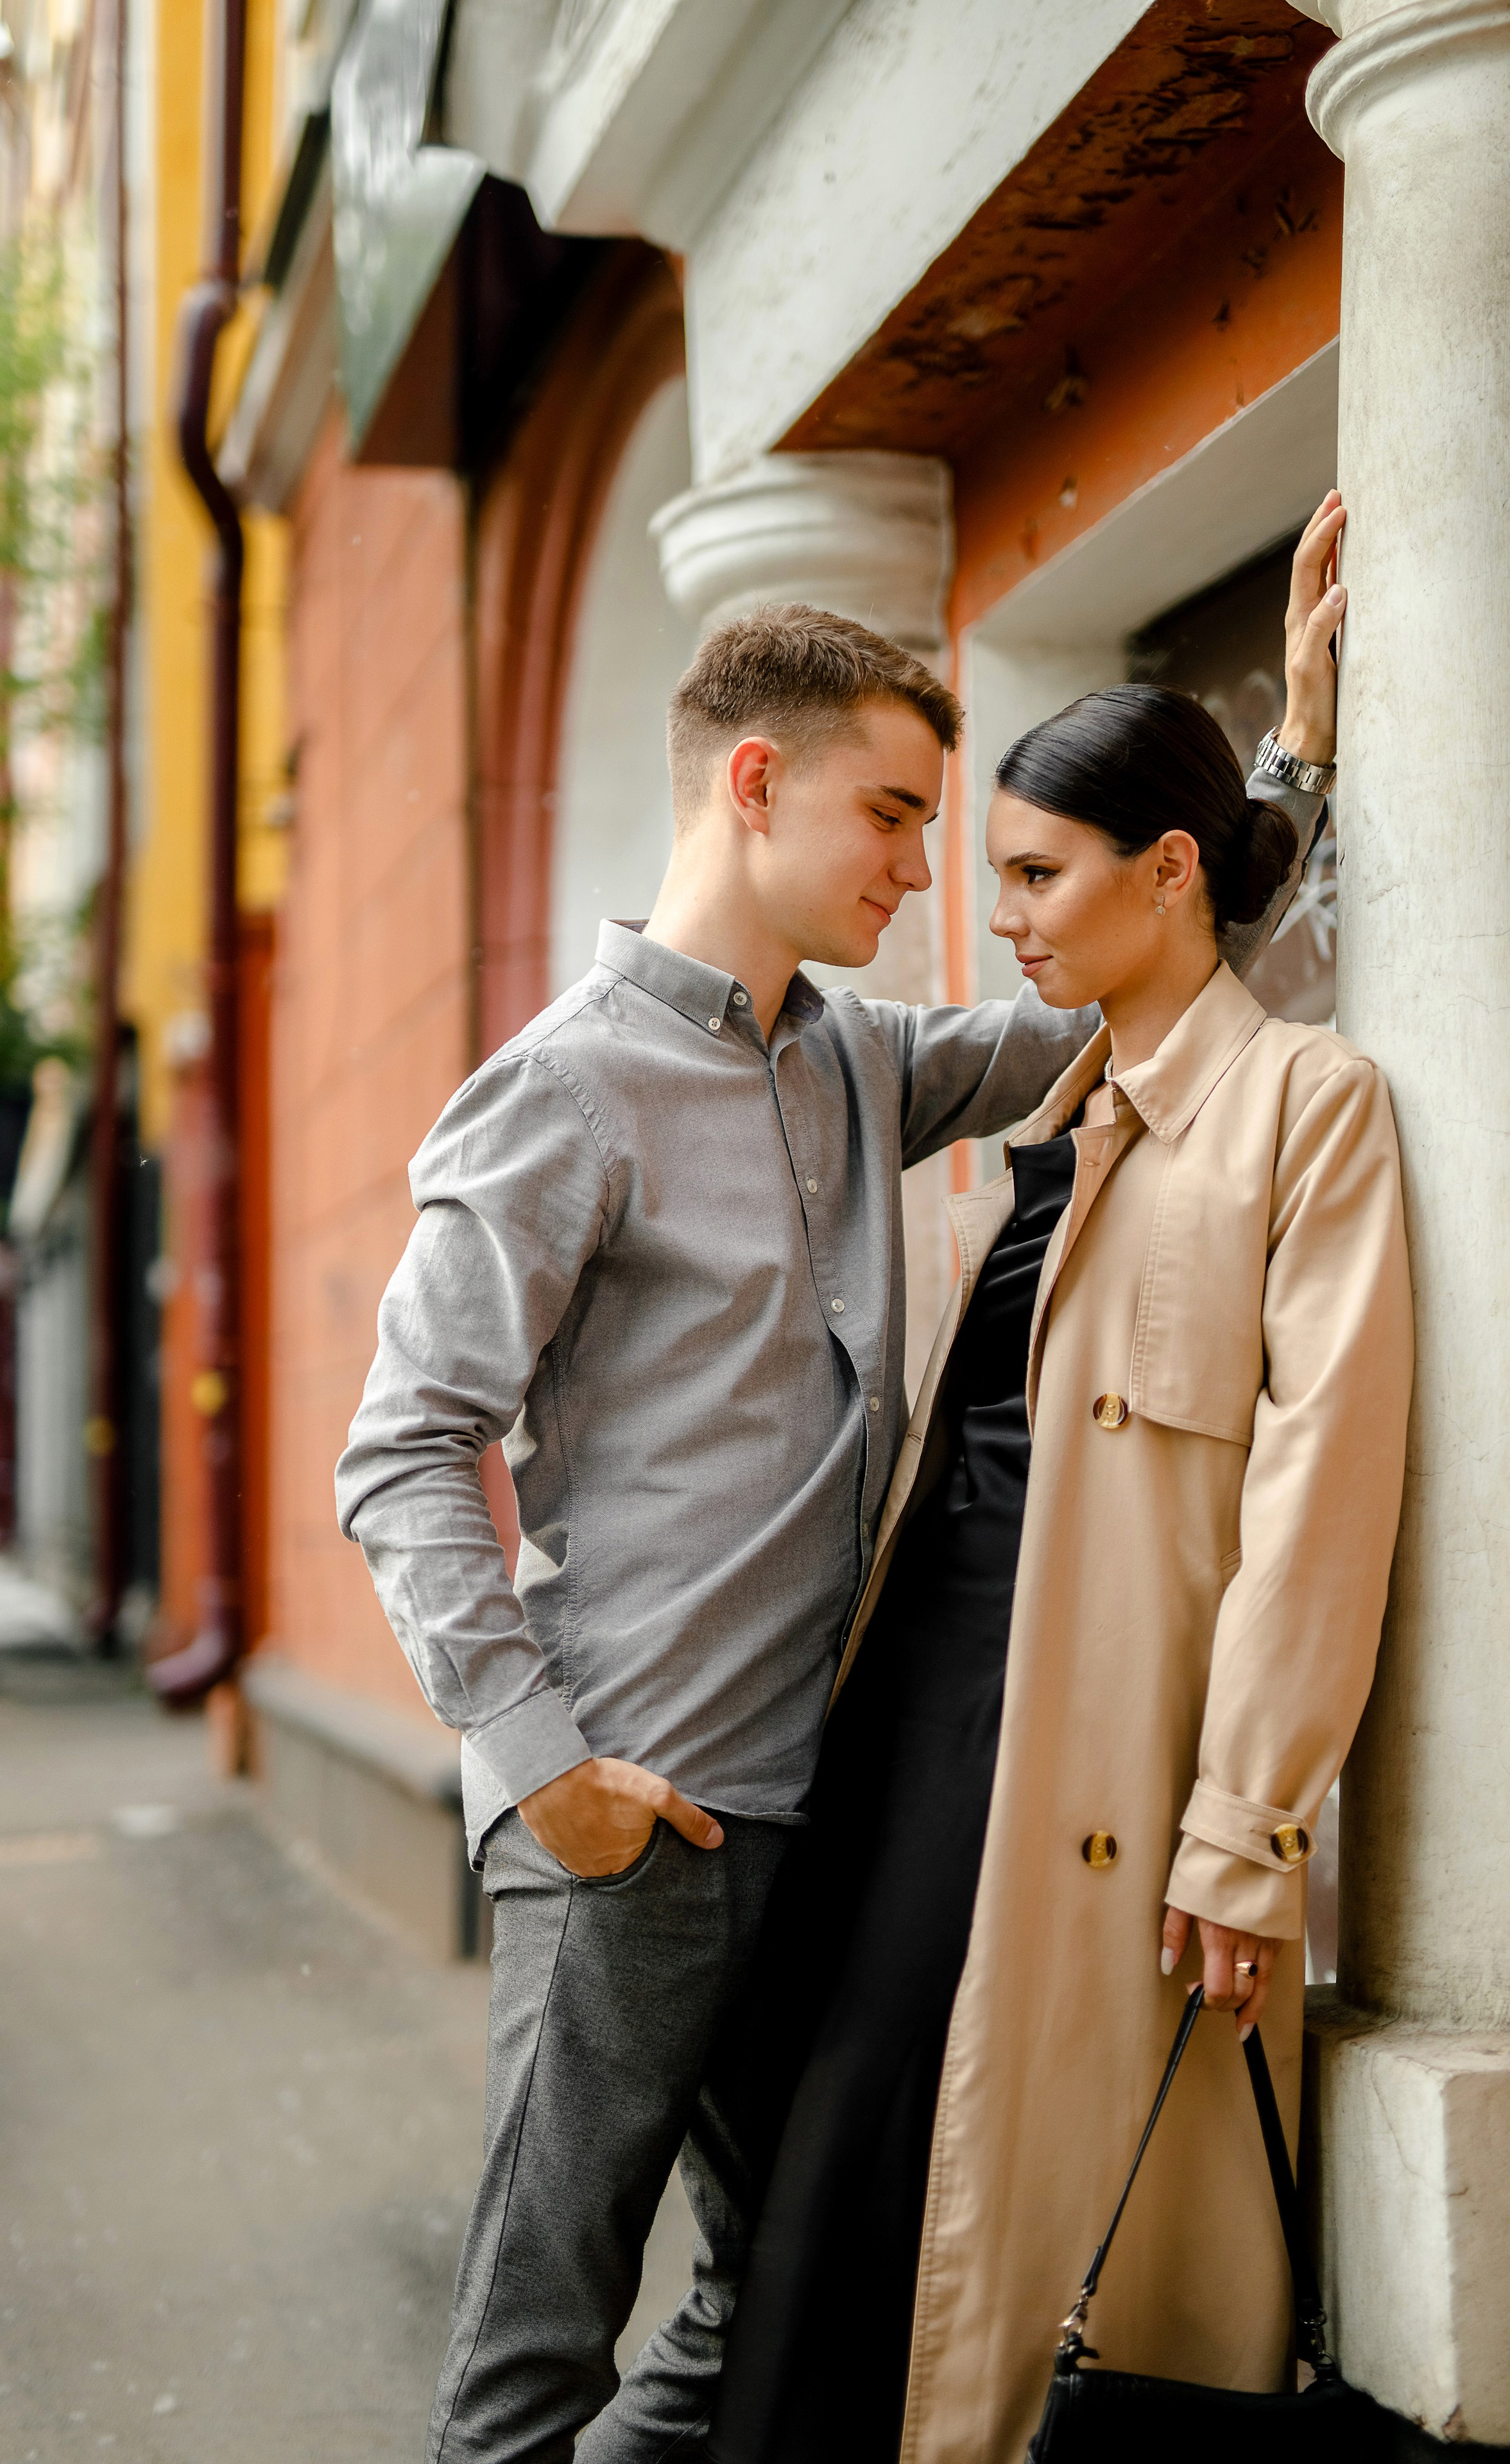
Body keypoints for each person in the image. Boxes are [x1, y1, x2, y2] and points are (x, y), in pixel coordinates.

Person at [334, 549, 1325, 2464]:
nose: (922, 870)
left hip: (812, 1811)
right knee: (539, 2339)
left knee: (770, 2293)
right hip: (631, 1820)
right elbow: (401, 1444)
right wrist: (541, 1764)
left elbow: (1145, 968)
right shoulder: (564, 1093)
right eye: (894, 813)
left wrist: (1282, 760)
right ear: (756, 784)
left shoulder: (857, 1064)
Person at [707, 518, 1412, 2464]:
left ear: (1167, 874)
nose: (997, 912)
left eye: (1033, 873)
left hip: (1085, 1758)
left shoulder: (1305, 1110)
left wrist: (1247, 1824)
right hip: (907, 1723)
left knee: (988, 2242)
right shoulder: (1065, 1102)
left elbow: (1318, 1498)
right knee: (834, 2194)